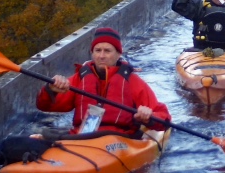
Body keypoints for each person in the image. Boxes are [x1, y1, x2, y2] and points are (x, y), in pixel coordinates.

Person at [35, 27, 171, 136]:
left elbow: (163, 118)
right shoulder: (79, 78)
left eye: (107, 51)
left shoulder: (132, 81)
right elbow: (45, 106)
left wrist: (149, 116)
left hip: (118, 140)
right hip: (82, 138)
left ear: (118, 54)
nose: (101, 56)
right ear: (92, 53)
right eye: (97, 50)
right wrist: (50, 90)